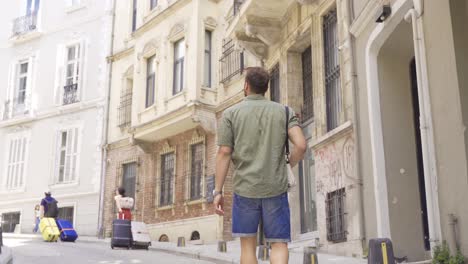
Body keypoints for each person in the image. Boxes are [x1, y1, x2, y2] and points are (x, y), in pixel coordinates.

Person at [214, 67, 307, 264]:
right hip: (275, 187)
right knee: (279, 244)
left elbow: (224, 152)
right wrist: (288, 164)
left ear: (246, 86)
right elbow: (301, 144)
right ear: (266, 87)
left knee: (248, 246)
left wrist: (218, 191)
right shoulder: (284, 111)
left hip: (245, 189)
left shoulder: (230, 114)